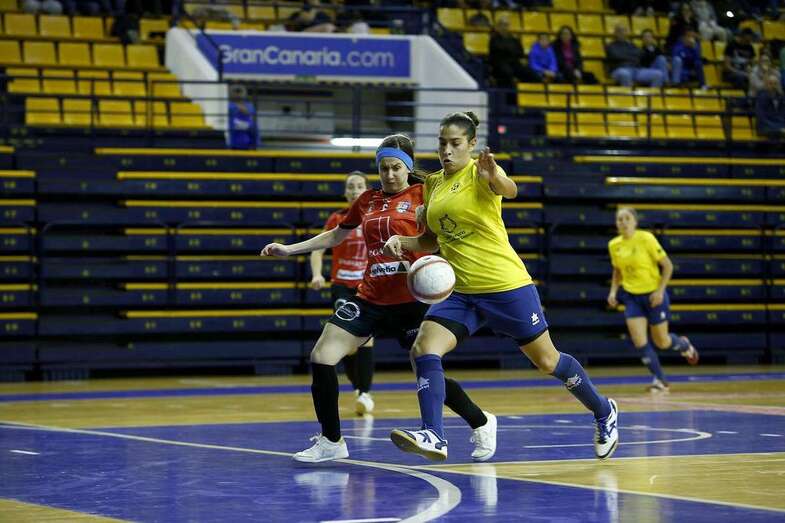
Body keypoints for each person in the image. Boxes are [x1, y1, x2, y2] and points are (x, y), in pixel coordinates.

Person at [383, 112, 618, 462]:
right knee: (423, 349)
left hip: (505, 286)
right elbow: (432, 240)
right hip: (461, 291)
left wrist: (495, 175)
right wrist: (404, 240)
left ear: (471, 144)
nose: (447, 150)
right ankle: (434, 434)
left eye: (455, 144)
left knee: (548, 361)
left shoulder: (482, 171)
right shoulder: (432, 183)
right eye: (442, 144)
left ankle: (604, 411)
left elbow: (510, 190)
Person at [260, 134, 498, 463]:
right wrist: (290, 249)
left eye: (395, 168)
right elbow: (338, 234)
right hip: (371, 296)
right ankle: (332, 441)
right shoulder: (368, 200)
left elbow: (446, 233)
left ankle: (481, 421)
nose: (388, 174)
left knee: (426, 371)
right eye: (383, 168)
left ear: (408, 167)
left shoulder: (427, 193)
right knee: (322, 355)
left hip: (413, 300)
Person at [607, 207, 700, 393]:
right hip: (632, 297)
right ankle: (660, 380)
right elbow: (617, 271)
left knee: (662, 342)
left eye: (627, 218)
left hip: (653, 296)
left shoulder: (646, 238)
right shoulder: (614, 245)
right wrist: (613, 292)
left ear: (635, 221)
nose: (623, 222)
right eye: (619, 219)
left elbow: (668, 266)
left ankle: (684, 345)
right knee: (639, 341)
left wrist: (660, 291)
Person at [309, 172, 375, 415]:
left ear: (366, 190)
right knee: (346, 341)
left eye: (359, 186)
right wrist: (317, 275)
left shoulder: (374, 217)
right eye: (351, 187)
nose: (355, 190)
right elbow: (317, 250)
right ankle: (359, 387)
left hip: (366, 285)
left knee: (367, 338)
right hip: (341, 285)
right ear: (346, 193)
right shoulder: (338, 219)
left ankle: (365, 393)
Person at [488, 15, 538, 88]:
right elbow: (499, 51)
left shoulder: (514, 39)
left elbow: (520, 53)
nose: (505, 27)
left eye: (507, 25)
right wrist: (510, 50)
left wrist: (521, 59)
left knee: (530, 73)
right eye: (503, 25)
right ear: (498, 27)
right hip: (500, 64)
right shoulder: (494, 39)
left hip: (514, 63)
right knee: (508, 73)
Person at [227, 85, 258, 150]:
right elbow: (230, 124)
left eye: (240, 91)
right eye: (236, 91)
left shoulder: (250, 107)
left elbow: (254, 126)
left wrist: (256, 143)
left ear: (245, 93)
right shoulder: (228, 106)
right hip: (232, 144)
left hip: (247, 144)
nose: (238, 94)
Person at [755, 73, 785, 138]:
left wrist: (781, 126)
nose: (773, 86)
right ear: (766, 85)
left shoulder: (781, 97)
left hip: (779, 126)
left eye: (775, 83)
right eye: (771, 83)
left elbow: (783, 115)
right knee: (777, 134)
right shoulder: (761, 97)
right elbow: (761, 117)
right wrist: (778, 128)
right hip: (765, 127)